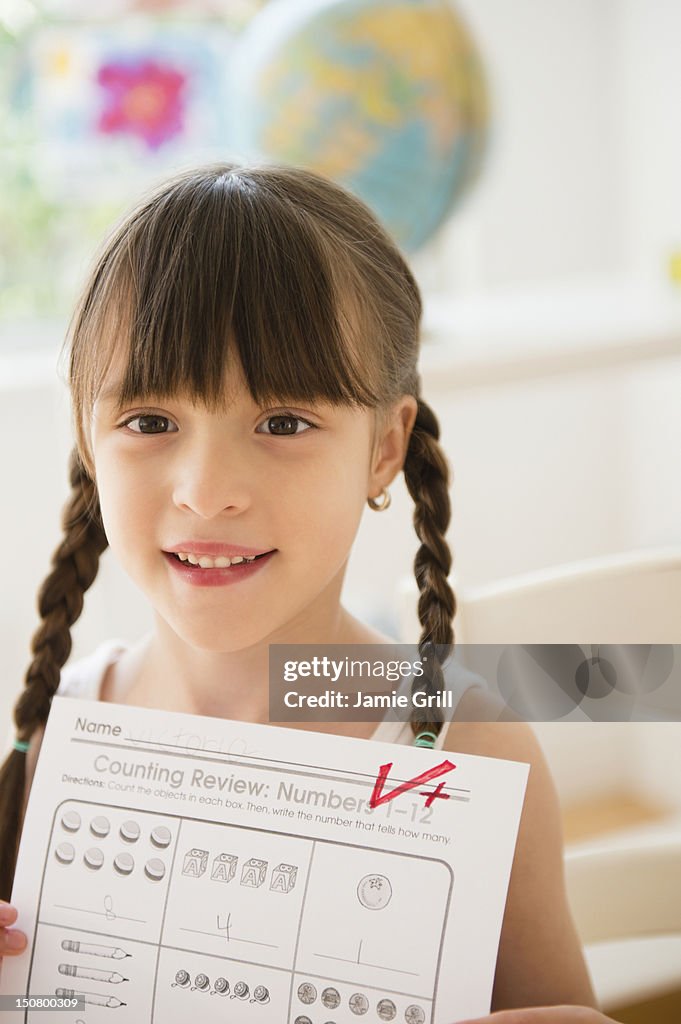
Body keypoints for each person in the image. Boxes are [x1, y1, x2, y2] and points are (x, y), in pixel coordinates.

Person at [0, 164, 621, 1023]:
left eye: (283, 423)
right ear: (86, 436)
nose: (206, 491)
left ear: (381, 448)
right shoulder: (55, 741)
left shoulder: (468, 742)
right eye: (149, 423)